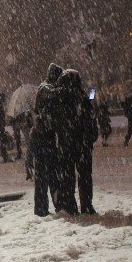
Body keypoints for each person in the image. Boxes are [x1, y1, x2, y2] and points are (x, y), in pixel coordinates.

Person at [31, 63, 63, 216]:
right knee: (44, 176)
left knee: (50, 175)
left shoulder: (46, 87)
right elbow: (53, 94)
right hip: (42, 138)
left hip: (46, 137)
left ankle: (52, 206)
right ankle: (42, 209)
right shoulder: (45, 87)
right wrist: (65, 89)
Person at [54, 70, 81, 216]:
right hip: (71, 141)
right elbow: (89, 101)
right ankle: (73, 204)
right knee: (72, 175)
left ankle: (68, 204)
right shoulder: (75, 95)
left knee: (67, 174)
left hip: (65, 142)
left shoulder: (60, 95)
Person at [76, 86, 99, 214]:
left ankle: (84, 203)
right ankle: (86, 203)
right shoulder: (87, 103)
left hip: (77, 144)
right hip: (84, 144)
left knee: (82, 175)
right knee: (85, 175)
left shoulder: (72, 103)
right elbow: (92, 123)